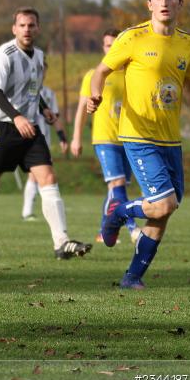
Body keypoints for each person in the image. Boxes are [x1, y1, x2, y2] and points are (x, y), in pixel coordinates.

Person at [89, 0, 190, 290]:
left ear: (180, 3)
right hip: (138, 134)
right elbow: (101, 71)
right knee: (164, 203)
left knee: (165, 209)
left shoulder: (188, 44)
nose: (165, 3)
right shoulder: (132, 38)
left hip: (171, 138)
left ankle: (132, 277)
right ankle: (118, 211)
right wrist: (94, 94)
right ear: (149, 4)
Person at [0, 8, 91, 259]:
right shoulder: (6, 54)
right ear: (14, 28)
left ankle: (62, 243)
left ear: (38, 29)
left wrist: (44, 109)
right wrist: (17, 117)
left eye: (31, 25)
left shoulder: (39, 56)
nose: (27, 29)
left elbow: (32, 93)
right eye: (22, 25)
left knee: (48, 178)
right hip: (3, 127)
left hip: (30, 129)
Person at [70, 29, 139, 243]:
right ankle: (133, 228)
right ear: (103, 47)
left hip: (127, 139)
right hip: (104, 139)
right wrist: (76, 137)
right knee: (117, 184)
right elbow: (82, 107)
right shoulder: (95, 75)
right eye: (107, 45)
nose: (111, 48)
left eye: (114, 45)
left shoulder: (131, 74)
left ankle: (103, 231)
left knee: (115, 189)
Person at [21, 60, 69, 221]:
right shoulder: (23, 91)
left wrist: (62, 137)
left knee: (40, 176)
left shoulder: (48, 93)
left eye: (44, 71)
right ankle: (28, 211)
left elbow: (54, 118)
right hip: (25, 137)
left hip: (43, 139)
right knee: (36, 175)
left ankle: (32, 210)